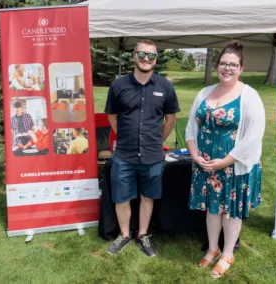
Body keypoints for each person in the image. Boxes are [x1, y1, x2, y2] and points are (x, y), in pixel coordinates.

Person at [185, 41, 265, 279]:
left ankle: (228, 253)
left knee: (230, 211)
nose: (227, 68)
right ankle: (212, 248)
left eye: (232, 64)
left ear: (241, 68)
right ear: (217, 65)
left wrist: (226, 161)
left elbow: (253, 135)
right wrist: (194, 154)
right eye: (223, 63)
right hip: (205, 163)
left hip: (233, 164)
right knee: (212, 207)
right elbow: (191, 126)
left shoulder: (249, 95)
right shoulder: (203, 93)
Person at [105, 39, 180, 257]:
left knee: (148, 197)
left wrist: (156, 141)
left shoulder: (165, 86)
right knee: (121, 197)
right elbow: (112, 117)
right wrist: (127, 137)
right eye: (142, 54)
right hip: (124, 155)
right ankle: (124, 234)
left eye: (151, 55)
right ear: (134, 56)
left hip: (153, 155)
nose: (146, 59)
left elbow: (171, 120)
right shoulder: (118, 86)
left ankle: (143, 234)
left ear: (156, 59)